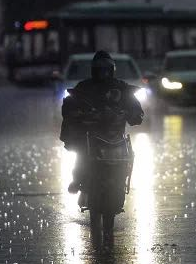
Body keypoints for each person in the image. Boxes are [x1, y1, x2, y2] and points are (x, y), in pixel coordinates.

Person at [60, 51, 144, 194]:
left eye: (107, 68)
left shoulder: (122, 88)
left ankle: (121, 179)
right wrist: (78, 115)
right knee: (81, 151)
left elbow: (135, 108)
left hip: (115, 134)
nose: (103, 72)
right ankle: (78, 178)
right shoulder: (84, 87)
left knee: (128, 155)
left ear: (112, 69)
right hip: (91, 134)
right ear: (94, 69)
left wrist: (134, 114)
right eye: (100, 68)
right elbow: (69, 106)